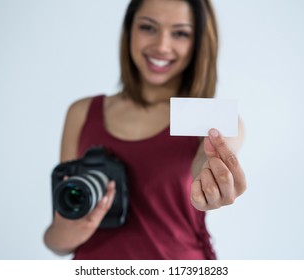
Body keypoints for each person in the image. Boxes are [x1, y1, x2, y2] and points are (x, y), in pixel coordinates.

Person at [44, 0, 246, 260]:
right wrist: (68, 231)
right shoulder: (82, 113)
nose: (161, 46)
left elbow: (206, 160)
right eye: (148, 28)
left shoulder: (212, 118)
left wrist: (212, 180)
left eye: (180, 33)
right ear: (129, 30)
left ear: (199, 42)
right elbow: (57, 241)